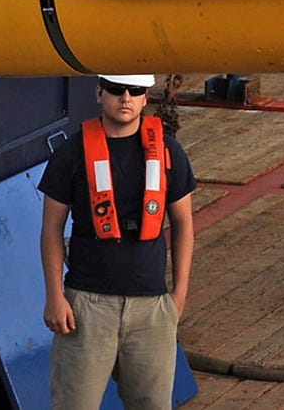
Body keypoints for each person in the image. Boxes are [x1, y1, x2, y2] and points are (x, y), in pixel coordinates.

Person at [40, 74, 196, 410]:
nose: (125, 97)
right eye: (115, 89)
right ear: (99, 93)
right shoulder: (71, 153)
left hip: (151, 310)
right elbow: (51, 228)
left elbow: (184, 223)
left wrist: (178, 295)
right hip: (86, 308)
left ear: (145, 98)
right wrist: (54, 295)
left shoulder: (168, 152)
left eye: (135, 90)